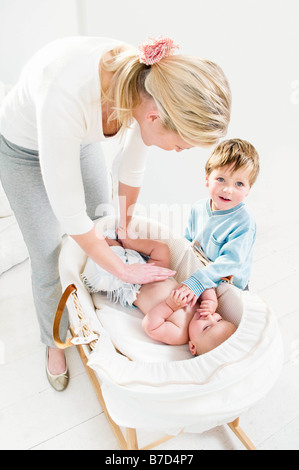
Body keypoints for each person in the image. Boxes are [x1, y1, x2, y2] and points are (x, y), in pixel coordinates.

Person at [0, 36, 231, 390]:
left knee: (103, 219)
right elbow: (69, 212)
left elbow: (130, 171)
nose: (181, 151)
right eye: (182, 144)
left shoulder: (149, 88)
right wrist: (122, 269)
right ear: (155, 118)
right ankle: (54, 342)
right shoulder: (68, 95)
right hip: (22, 146)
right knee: (49, 254)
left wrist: (124, 229)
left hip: (79, 137)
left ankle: (92, 287)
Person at [83, 235, 237, 355]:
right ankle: (128, 243)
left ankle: (108, 247)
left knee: (108, 267)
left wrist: (169, 306)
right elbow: (204, 283)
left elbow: (151, 326)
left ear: (192, 346)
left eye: (207, 327)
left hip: (133, 286)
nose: (208, 317)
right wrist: (210, 299)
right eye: (218, 318)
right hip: (158, 272)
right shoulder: (204, 308)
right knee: (162, 249)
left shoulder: (179, 334)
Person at [175, 138, 260, 308]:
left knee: (223, 319)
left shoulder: (244, 222)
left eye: (239, 184)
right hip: (201, 272)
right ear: (207, 179)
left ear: (248, 190)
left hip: (229, 285)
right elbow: (188, 242)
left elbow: (230, 262)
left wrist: (198, 282)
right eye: (221, 179)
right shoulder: (198, 208)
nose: (228, 189)